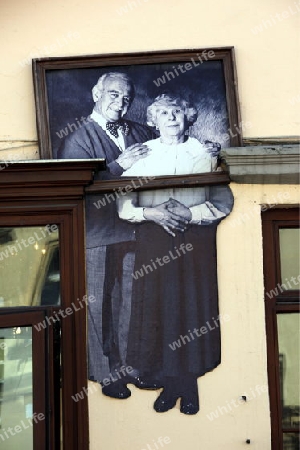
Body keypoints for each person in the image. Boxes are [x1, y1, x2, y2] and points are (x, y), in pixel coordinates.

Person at [117, 94, 234, 414]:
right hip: (153, 242)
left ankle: (189, 385)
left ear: (189, 118)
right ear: (153, 120)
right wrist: (152, 215)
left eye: (178, 113)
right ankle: (169, 384)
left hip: (194, 242)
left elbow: (222, 202)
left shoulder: (205, 153)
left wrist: (190, 215)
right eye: (164, 114)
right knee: (160, 309)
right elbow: (124, 204)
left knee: (193, 310)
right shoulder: (142, 155)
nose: (171, 118)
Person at [58, 72, 154, 399]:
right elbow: (75, 189)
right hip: (96, 235)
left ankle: (130, 367)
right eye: (113, 94)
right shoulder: (76, 138)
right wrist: (118, 165)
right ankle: (104, 373)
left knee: (131, 301)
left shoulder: (141, 131)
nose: (120, 102)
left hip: (136, 230)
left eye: (127, 98)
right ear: (96, 94)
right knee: (98, 305)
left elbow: (170, 154)